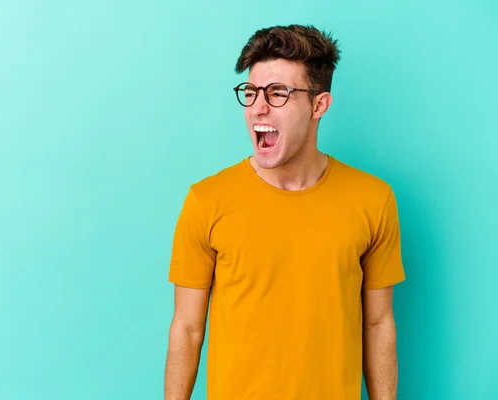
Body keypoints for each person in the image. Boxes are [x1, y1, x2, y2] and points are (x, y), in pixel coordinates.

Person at [164, 24, 406, 400]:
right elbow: (187, 327)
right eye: (251, 92)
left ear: (319, 105)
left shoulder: (373, 199)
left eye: (278, 93)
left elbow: (377, 323)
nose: (258, 107)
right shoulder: (206, 200)